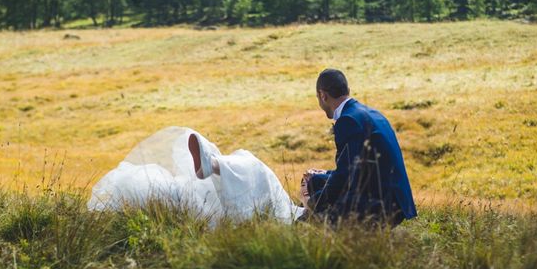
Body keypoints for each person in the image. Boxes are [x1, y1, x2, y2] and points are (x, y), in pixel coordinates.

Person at [88, 126, 305, 224]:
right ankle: (211, 165)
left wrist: (308, 197)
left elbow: (311, 207)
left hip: (277, 209)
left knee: (257, 170)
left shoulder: (296, 215)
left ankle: (212, 164)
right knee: (250, 165)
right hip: (254, 205)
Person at [301, 69, 417, 226]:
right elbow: (354, 167)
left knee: (312, 208)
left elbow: (344, 177)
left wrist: (313, 202)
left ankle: (314, 222)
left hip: (381, 204)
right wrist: (324, 174)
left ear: (323, 95)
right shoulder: (372, 113)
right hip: (395, 197)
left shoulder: (348, 121)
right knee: (315, 180)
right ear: (347, 90)